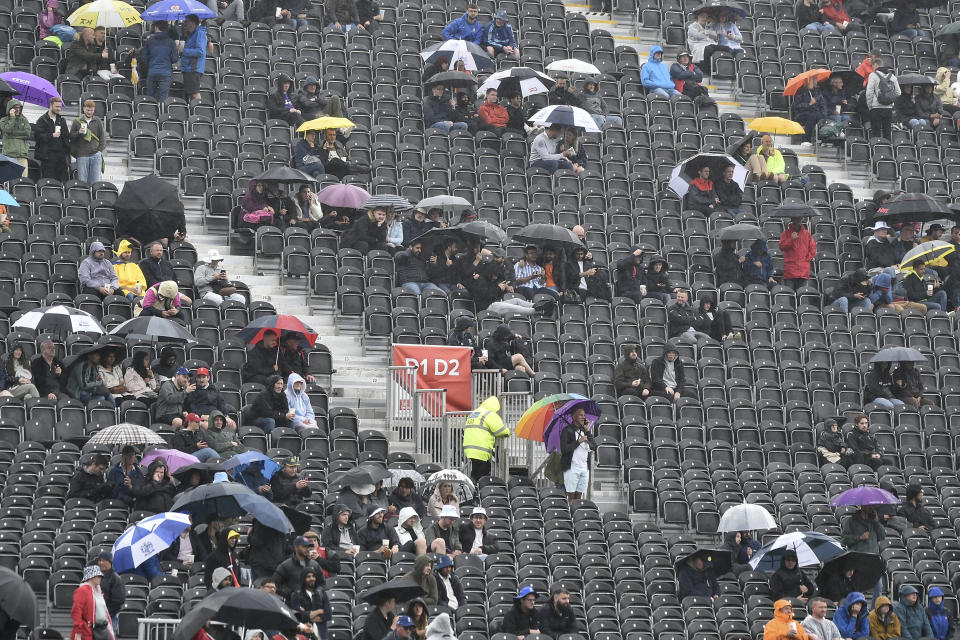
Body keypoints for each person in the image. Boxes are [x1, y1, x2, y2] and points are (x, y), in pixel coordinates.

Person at [462, 395, 508, 482]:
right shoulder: (489, 414)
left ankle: (472, 488)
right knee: (482, 472)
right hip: (480, 449)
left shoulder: (475, 413)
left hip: (469, 448)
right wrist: (508, 432)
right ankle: (479, 489)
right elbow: (500, 430)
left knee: (476, 471)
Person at [560, 406, 596, 502]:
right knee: (570, 496)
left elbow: (594, 446)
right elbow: (564, 449)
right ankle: (569, 515)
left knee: (578, 496)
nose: (583, 417)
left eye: (584, 415)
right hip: (571, 467)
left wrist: (588, 431)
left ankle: (576, 515)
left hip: (584, 468)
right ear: (573, 416)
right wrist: (578, 441)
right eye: (580, 415)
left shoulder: (585, 431)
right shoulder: (567, 431)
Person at [71, 565, 113, 640]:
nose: (100, 578)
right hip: (87, 632)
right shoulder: (82, 590)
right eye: (98, 576)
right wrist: (78, 631)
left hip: (101, 631)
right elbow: (76, 611)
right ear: (91, 577)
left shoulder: (98, 592)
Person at [34, 96, 71, 181]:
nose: (59, 109)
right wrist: (51, 135)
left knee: (62, 180)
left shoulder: (61, 120)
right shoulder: (42, 120)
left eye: (60, 107)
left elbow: (66, 136)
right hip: (47, 155)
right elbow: (38, 136)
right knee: (48, 180)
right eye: (57, 106)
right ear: (51, 105)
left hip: (60, 155)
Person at [141, 21, 179, 103]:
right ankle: (162, 114)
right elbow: (175, 59)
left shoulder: (150, 41)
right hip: (165, 73)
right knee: (163, 98)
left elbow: (144, 57)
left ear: (156, 27)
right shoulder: (170, 42)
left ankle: (150, 114)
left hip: (152, 72)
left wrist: (150, 65)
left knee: (150, 98)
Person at [289, 568, 331, 640]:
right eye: (308, 577)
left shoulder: (322, 593)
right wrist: (319, 611)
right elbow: (297, 616)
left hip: (322, 633)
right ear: (303, 579)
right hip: (304, 634)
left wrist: (307, 614)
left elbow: (328, 615)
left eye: (313, 576)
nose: (312, 578)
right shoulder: (296, 595)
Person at [865, 60, 900, 140]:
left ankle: (877, 150)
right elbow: (898, 92)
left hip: (876, 108)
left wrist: (870, 106)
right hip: (888, 108)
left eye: (873, 66)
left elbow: (869, 92)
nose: (873, 68)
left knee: (876, 133)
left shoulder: (873, 75)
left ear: (876, 65)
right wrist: (890, 101)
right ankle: (887, 150)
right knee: (887, 133)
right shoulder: (892, 76)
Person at [779, 218, 817, 290]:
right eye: (795, 220)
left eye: (798, 220)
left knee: (802, 296)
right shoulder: (786, 233)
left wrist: (806, 259)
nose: (797, 222)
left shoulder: (807, 234)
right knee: (790, 295)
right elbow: (782, 246)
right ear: (792, 221)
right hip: (791, 270)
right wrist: (791, 239)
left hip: (803, 271)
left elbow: (813, 248)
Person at [179, 15, 207, 102]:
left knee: (195, 94)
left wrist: (184, 51)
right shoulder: (193, 34)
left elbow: (200, 52)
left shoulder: (199, 33)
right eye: (186, 22)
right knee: (191, 94)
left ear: (193, 23)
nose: (186, 25)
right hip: (189, 68)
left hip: (193, 68)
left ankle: (199, 112)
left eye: (188, 22)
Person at [0, 99, 30, 177]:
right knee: (9, 179)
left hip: (22, 155)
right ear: (10, 108)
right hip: (9, 155)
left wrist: (12, 135)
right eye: (15, 107)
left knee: (23, 179)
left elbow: (27, 134)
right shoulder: (3, 120)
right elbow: (7, 130)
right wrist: (12, 118)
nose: (18, 109)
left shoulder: (24, 120)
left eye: (19, 107)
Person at [793, 76, 826, 146]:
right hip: (802, 113)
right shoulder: (801, 91)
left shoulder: (817, 92)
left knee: (822, 117)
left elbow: (822, 104)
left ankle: (824, 139)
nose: (816, 82)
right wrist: (809, 104)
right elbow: (797, 106)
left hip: (815, 112)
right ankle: (805, 139)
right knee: (812, 116)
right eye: (814, 80)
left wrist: (823, 114)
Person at [95, 552, 124, 632]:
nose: (101, 563)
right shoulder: (96, 576)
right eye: (100, 560)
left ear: (110, 562)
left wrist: (108, 612)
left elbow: (119, 599)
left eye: (104, 561)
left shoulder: (116, 578)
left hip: (109, 616)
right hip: (96, 615)